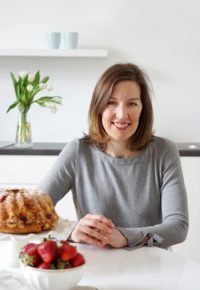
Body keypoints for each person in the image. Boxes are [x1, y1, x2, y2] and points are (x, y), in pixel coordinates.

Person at [38, 63, 189, 249]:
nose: (122, 114)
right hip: (95, 268)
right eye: (111, 102)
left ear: (143, 109)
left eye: (132, 103)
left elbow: (178, 227)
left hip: (154, 266)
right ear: (99, 107)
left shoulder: (164, 151)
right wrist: (72, 231)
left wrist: (125, 237)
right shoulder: (77, 152)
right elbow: (34, 213)